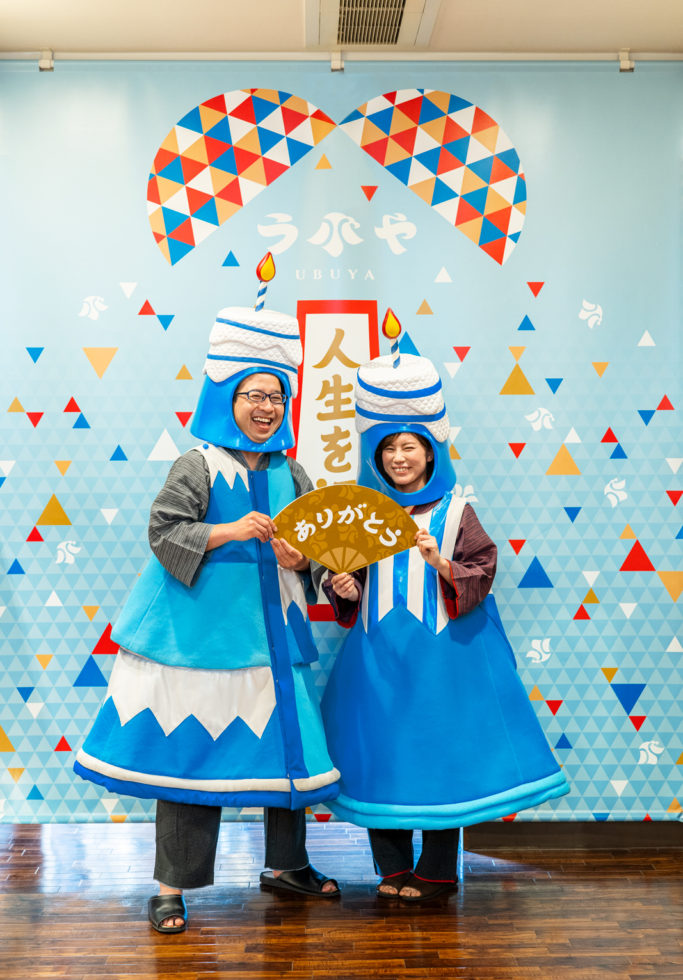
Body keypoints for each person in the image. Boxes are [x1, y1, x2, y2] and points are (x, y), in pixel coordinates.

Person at [74, 299, 341, 932]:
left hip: (274, 637)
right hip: (199, 641)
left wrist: (302, 557)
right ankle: (170, 888)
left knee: (286, 751)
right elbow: (164, 531)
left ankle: (287, 866)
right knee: (189, 755)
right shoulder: (197, 463)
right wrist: (228, 531)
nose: (266, 407)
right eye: (254, 395)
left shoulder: (292, 471)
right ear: (226, 396)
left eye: (276, 396)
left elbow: (318, 550)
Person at [321, 346, 569, 903]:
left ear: (431, 451)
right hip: (376, 661)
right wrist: (344, 588)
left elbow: (483, 569)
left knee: (442, 757)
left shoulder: (456, 511)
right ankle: (391, 868)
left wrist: (442, 564)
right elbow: (347, 579)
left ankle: (435, 873)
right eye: (387, 448)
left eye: (409, 446)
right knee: (377, 757)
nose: (398, 457)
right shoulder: (360, 512)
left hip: (443, 663)